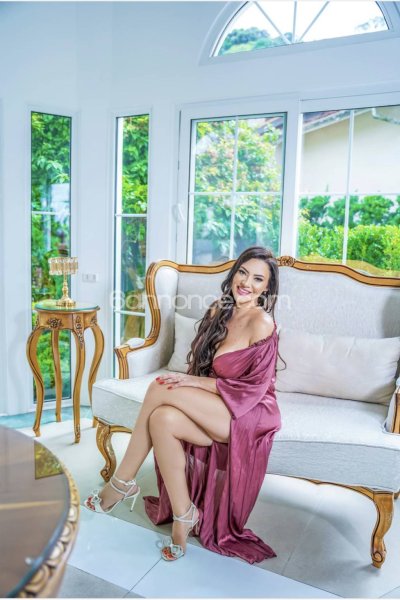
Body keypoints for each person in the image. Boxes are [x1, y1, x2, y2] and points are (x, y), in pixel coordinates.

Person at [85, 246, 282, 564]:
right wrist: (194, 383)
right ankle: (184, 513)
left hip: (247, 413)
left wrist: (193, 384)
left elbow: (253, 389)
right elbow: (203, 367)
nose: (246, 282)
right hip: (216, 404)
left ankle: (121, 483)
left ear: (267, 288)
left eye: (258, 279)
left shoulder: (262, 323)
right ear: (234, 273)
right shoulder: (220, 309)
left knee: (159, 386)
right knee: (162, 419)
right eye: (243, 272)